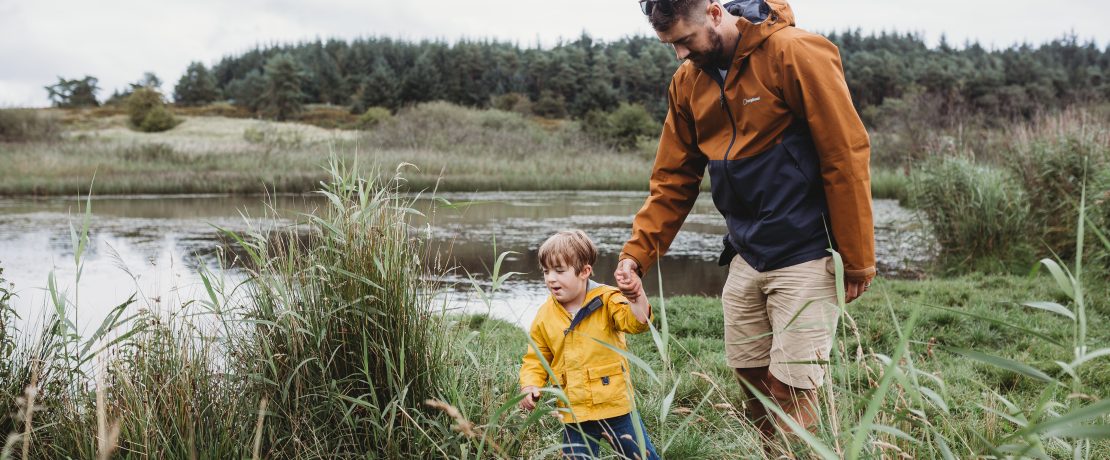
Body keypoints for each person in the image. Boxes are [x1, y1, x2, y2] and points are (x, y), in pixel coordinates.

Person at [617, 0, 876, 439]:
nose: (679, 54)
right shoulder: (687, 83)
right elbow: (673, 180)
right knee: (751, 380)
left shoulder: (795, 53)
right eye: (670, 45)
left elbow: (844, 155)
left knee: (792, 389)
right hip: (745, 254)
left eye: (684, 40)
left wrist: (858, 258)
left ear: (715, 14)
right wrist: (636, 255)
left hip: (807, 250)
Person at [519, 230, 660, 459]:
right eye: (546, 271)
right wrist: (530, 385)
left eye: (560, 270)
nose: (551, 278)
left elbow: (636, 323)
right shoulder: (545, 314)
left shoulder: (607, 299)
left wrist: (636, 298)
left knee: (642, 456)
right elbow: (536, 357)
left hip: (616, 406)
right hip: (574, 410)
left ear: (584, 271)